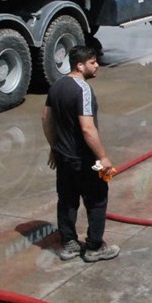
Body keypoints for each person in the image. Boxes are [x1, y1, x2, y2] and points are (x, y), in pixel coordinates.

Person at [42, 45, 119, 263]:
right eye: (93, 63)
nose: (97, 66)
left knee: (67, 200)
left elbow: (46, 119)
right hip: (85, 160)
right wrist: (102, 157)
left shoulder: (56, 85)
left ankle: (69, 244)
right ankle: (94, 247)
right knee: (97, 199)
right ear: (80, 65)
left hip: (63, 158)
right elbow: (87, 128)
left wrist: (54, 147)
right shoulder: (82, 89)